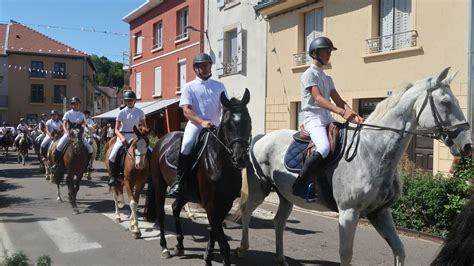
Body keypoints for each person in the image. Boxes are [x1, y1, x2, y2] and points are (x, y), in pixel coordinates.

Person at [292, 36, 364, 202]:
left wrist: (355, 116)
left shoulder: (327, 78)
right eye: (326, 51)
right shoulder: (308, 75)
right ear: (315, 53)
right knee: (324, 147)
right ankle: (300, 184)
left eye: (330, 51)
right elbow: (318, 99)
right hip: (313, 118)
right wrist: (340, 111)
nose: (329, 54)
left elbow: (339, 101)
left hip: (326, 117)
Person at [168, 52, 228, 197]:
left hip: (216, 126)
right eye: (204, 66)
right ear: (196, 68)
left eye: (208, 65)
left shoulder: (219, 86)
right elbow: (186, 110)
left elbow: (226, 106)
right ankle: (180, 182)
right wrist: (201, 121)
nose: (207, 68)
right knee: (187, 145)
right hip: (196, 125)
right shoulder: (189, 87)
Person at [107, 90, 146, 187]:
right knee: (112, 155)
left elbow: (144, 126)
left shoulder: (140, 112)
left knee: (150, 151)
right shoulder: (121, 113)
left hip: (136, 137)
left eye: (131, 100)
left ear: (134, 101)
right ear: (125, 101)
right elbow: (116, 129)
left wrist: (143, 133)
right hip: (124, 136)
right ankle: (113, 176)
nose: (129, 102)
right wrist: (121, 137)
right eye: (127, 100)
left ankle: (151, 175)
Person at [52, 96, 94, 172]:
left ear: (79, 105)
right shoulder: (68, 113)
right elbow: (64, 125)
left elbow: (84, 124)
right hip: (69, 134)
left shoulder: (82, 115)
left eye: (77, 104)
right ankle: (56, 164)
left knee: (90, 149)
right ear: (71, 105)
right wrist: (66, 132)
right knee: (58, 146)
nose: (75, 105)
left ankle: (87, 166)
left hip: (79, 135)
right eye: (74, 104)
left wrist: (83, 129)